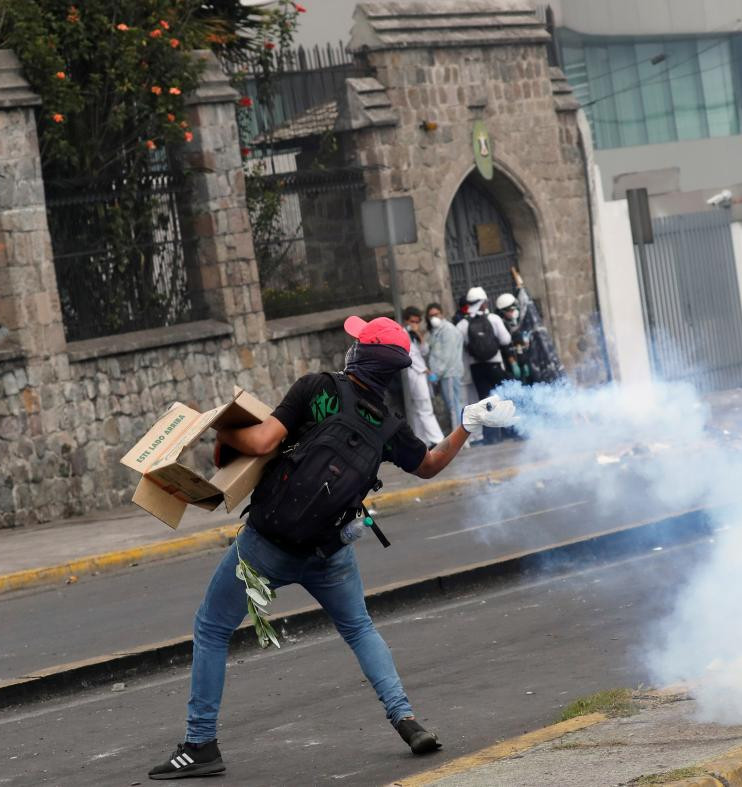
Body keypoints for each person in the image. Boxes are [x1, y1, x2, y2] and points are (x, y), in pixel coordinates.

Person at [147, 315, 517, 780]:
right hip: (331, 549)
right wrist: (465, 423)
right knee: (359, 628)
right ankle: (405, 718)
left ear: (359, 355)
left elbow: (261, 441)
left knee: (212, 628)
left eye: (356, 340)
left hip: (267, 543)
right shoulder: (388, 425)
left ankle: (200, 745)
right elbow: (429, 465)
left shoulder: (317, 388)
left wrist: (215, 428)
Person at [458, 287, 512, 444]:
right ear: (484, 302)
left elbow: (461, 345)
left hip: (476, 367)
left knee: (485, 402)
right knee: (502, 398)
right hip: (495, 363)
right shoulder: (494, 319)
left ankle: (491, 437)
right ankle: (508, 431)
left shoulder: (462, 324)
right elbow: (506, 340)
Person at [402, 306, 444, 447]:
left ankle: (422, 440)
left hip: (420, 374)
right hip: (415, 374)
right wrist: (426, 370)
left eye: (418, 321)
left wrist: (418, 334)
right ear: (407, 320)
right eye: (413, 321)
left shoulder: (414, 334)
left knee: (418, 409)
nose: (416, 323)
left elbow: (424, 351)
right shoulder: (403, 334)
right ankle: (438, 439)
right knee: (424, 407)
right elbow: (411, 356)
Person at [424, 302, 465, 434]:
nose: (433, 318)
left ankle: (459, 437)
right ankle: (459, 435)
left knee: (454, 406)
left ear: (442, 314)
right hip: (445, 375)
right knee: (452, 406)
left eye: (436, 314)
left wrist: (436, 373)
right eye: (430, 316)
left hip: (449, 374)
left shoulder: (448, 330)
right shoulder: (436, 331)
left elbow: (447, 356)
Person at [495, 292, 526, 383]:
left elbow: (518, 341)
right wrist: (513, 363)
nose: (514, 312)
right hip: (509, 363)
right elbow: (505, 345)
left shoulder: (514, 322)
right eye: (511, 310)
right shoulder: (501, 324)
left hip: (520, 358)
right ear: (503, 311)